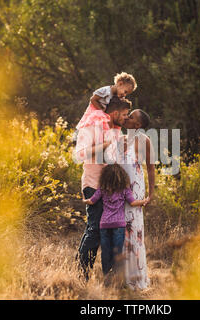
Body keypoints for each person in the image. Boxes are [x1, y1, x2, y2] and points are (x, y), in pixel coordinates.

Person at [74, 96, 132, 281]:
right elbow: (80, 154)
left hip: (108, 190)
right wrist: (106, 145)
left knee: (96, 231)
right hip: (92, 185)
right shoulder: (96, 126)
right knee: (95, 230)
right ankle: (81, 275)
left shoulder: (116, 130)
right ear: (114, 113)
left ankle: (86, 273)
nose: (126, 118)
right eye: (124, 115)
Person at [82, 164, 148, 276]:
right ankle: (116, 277)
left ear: (105, 177)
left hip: (104, 224)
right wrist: (143, 201)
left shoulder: (102, 190)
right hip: (118, 225)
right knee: (117, 252)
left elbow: (92, 201)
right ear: (121, 177)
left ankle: (106, 276)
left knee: (105, 252)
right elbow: (132, 202)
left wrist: (84, 200)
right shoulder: (124, 190)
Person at [119, 109, 155, 290]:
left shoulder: (144, 141)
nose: (127, 118)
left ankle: (136, 280)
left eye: (131, 117)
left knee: (134, 233)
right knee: (121, 233)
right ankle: (122, 278)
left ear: (138, 125)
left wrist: (151, 193)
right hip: (120, 193)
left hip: (136, 191)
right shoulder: (121, 138)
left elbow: (150, 168)